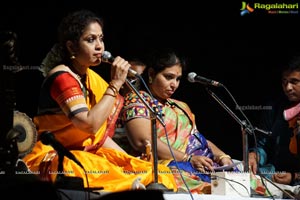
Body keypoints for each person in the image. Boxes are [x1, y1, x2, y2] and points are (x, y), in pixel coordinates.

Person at [22, 10, 177, 192]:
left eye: (101, 39)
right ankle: (130, 187)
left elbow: (98, 139)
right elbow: (89, 125)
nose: (100, 47)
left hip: (90, 153)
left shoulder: (90, 78)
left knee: (157, 171)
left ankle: (132, 184)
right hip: (56, 157)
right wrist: (116, 84)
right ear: (71, 47)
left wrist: (128, 159)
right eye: (90, 40)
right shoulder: (62, 78)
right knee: (81, 166)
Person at [121, 48, 237, 194]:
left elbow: (196, 138)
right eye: (168, 77)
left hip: (202, 163)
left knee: (240, 179)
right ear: (151, 74)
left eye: (178, 79)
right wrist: (188, 159)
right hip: (166, 167)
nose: (174, 84)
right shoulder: (138, 100)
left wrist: (222, 156)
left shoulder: (180, 106)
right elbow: (143, 141)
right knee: (204, 187)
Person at [249, 54, 300, 188]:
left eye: (294, 82)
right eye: (284, 82)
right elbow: (263, 144)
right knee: (240, 174)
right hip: (276, 173)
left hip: (295, 179)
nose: (288, 88)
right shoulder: (274, 108)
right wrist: (254, 155)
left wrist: (294, 177)